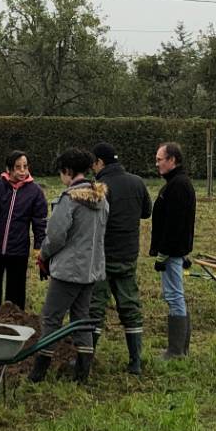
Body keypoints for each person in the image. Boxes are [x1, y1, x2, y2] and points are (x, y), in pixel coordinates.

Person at [32, 148, 107, 385]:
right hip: (91, 270)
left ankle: (38, 374)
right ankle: (82, 375)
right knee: (81, 318)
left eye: (61, 173)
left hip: (67, 271)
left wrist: (43, 256)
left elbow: (55, 237)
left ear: (67, 171)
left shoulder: (69, 200)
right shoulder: (101, 199)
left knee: (51, 318)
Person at [89, 142, 152, 375]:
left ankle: (87, 360)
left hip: (104, 256)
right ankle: (135, 361)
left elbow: (93, 219)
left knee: (95, 308)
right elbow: (147, 212)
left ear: (100, 162)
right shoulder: (137, 182)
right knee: (130, 307)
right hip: (128, 254)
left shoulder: (100, 186)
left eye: (93, 164)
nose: (92, 169)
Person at [0, 150, 49, 318]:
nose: (22, 171)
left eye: (25, 167)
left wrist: (38, 246)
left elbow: (40, 221)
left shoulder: (35, 192)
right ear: (8, 169)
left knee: (16, 292)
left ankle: (15, 323)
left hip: (18, 250)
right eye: (18, 167)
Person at [149, 140, 197, 359]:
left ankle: (176, 350)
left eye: (160, 159)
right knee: (176, 294)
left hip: (172, 252)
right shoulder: (177, 183)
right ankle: (181, 349)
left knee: (174, 295)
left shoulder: (178, 186)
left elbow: (175, 224)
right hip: (176, 250)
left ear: (172, 160)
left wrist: (163, 254)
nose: (156, 163)